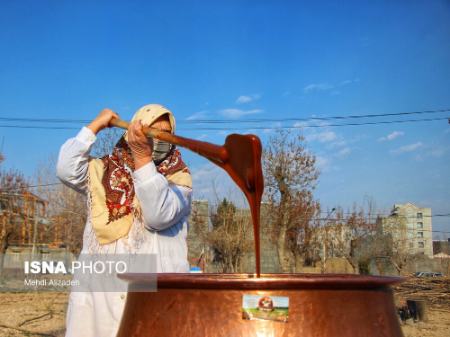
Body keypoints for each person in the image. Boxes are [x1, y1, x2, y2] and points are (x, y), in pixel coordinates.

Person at [56, 104, 192, 337]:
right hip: (98, 296)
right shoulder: (104, 170)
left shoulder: (179, 181)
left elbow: (157, 215)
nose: (159, 140)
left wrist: (143, 159)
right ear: (133, 132)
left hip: (152, 297)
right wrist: (96, 125)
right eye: (152, 131)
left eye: (166, 134)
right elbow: (66, 168)